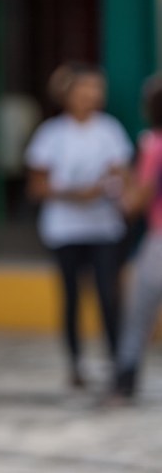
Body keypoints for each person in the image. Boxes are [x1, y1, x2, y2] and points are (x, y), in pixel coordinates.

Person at [26, 63, 132, 389]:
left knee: (107, 295)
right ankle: (76, 365)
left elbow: (122, 175)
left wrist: (108, 188)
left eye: (96, 88)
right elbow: (37, 186)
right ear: (67, 94)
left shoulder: (110, 131)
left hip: (103, 228)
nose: (91, 95)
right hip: (64, 230)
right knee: (71, 297)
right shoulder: (51, 134)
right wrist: (75, 193)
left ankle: (118, 364)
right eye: (84, 88)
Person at [109, 75, 162, 401]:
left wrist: (120, 184)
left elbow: (137, 202)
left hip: (159, 242)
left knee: (138, 314)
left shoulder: (153, 144)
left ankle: (124, 381)